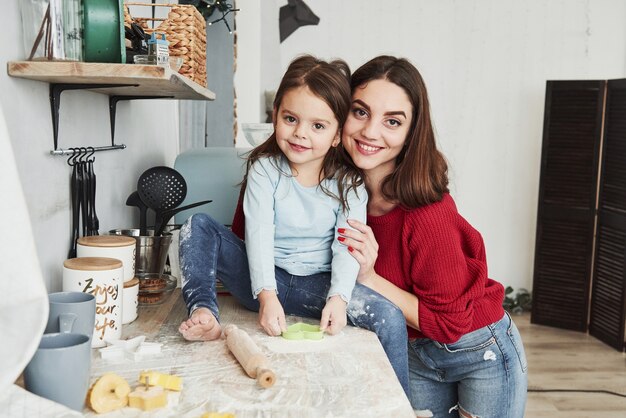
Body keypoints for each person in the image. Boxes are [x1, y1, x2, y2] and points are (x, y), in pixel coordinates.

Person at [177, 55, 410, 394]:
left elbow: (346, 246)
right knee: (196, 225)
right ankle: (203, 312)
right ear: (276, 116)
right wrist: (266, 295)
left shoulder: (349, 184)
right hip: (260, 280)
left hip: (313, 286)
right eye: (290, 118)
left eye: (318, 126)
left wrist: (339, 299)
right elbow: (257, 235)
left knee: (389, 317)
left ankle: (399, 406)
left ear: (336, 135)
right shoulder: (265, 170)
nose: (301, 133)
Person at [336, 56, 528, 417]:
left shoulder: (427, 214)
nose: (370, 131)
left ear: (411, 134)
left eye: (392, 121)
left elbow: (447, 324)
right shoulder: (343, 194)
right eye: (360, 112)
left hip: (477, 351)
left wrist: (369, 278)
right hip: (414, 350)